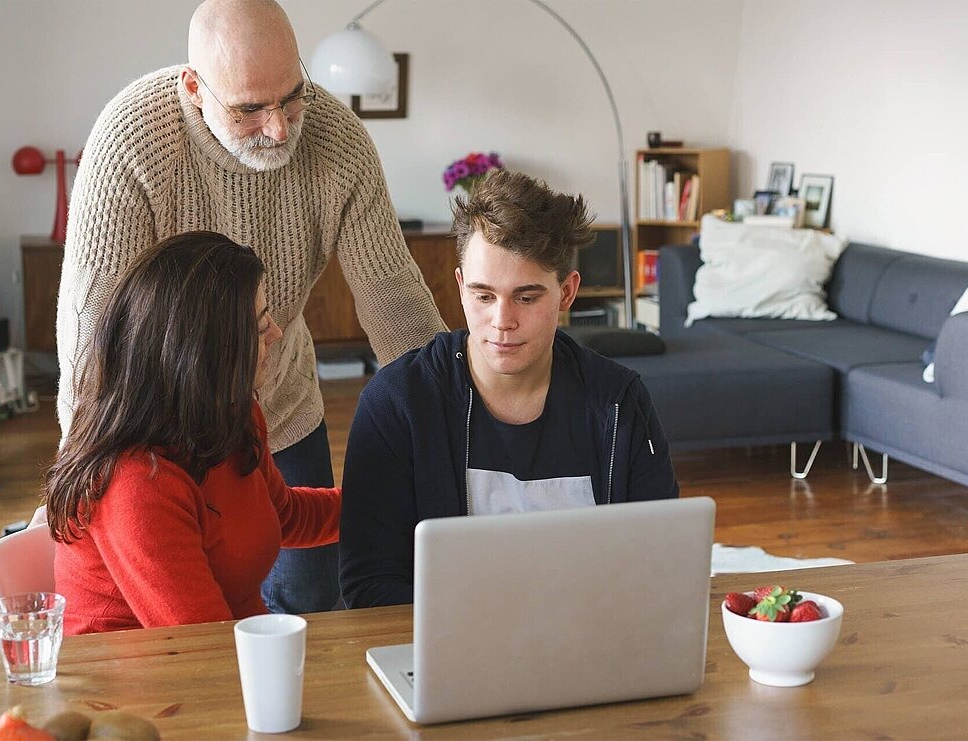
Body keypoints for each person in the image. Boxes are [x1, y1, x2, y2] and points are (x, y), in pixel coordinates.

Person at [56, 0, 445, 614]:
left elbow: (395, 303)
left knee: (311, 591)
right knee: (195, 595)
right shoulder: (130, 145)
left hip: (267, 406)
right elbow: (92, 337)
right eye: (249, 109)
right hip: (157, 432)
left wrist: (451, 429)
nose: (280, 128)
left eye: (292, 96)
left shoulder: (339, 144)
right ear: (194, 88)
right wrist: (87, 474)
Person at [339, 170, 680, 608]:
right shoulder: (397, 402)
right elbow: (369, 583)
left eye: (526, 297)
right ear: (461, 287)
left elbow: (659, 559)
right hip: (451, 641)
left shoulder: (619, 401)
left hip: (589, 633)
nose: (502, 322)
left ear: (567, 292)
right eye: (484, 296)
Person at [46, 232, 341, 635]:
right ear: (206, 352)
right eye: (258, 327)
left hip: (230, 652)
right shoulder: (136, 483)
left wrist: (399, 500)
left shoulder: (232, 415)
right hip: (150, 670)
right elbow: (203, 642)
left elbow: (283, 514)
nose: (275, 332)